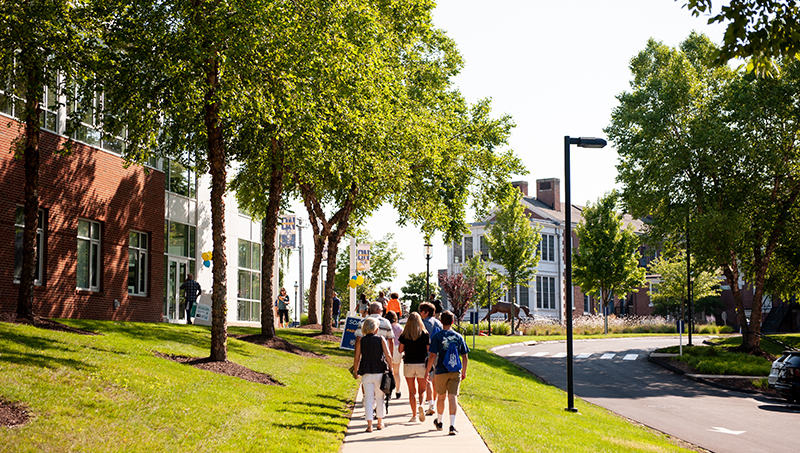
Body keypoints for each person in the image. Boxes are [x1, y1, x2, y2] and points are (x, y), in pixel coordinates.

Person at [426, 310, 469, 436]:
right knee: (452, 397)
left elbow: (433, 355)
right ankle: (452, 425)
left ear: (441, 322)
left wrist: (428, 370)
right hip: (455, 370)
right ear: (453, 322)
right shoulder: (458, 336)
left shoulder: (437, 337)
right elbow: (465, 356)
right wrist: (464, 371)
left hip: (441, 370)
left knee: (441, 397)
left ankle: (439, 422)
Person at [352, 317, 393, 432]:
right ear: (376, 329)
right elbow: (388, 355)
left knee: (369, 399)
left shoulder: (361, 341)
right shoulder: (380, 339)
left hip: (366, 371)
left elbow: (357, 358)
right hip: (379, 370)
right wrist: (391, 367)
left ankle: (369, 425)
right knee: (380, 397)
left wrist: (356, 371)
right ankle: (380, 422)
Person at [398, 312, 430, 423]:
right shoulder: (425, 334)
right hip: (421, 363)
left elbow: (400, 350)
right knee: (422, 389)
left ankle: (414, 415)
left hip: (408, 363)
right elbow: (428, 349)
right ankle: (421, 404)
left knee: (412, 391)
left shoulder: (404, 335)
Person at [419, 301, 442, 416]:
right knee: (435, 380)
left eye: (421, 311)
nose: (420, 313)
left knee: (427, 378)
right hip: (439, 353)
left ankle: (431, 404)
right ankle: (433, 401)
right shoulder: (439, 323)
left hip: (427, 354)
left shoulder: (423, 323)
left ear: (426, 312)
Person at [385, 310, 403, 400]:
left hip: (387, 348)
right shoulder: (399, 327)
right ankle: (398, 391)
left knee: (388, 372)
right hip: (397, 349)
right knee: (397, 372)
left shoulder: (385, 326)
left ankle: (388, 392)